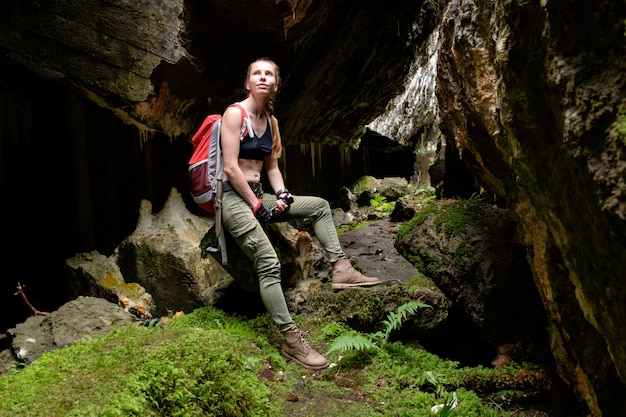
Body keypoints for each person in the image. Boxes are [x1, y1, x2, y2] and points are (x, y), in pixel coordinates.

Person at [219, 58, 381, 370]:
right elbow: (229, 167)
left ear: (275, 84)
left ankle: (341, 269)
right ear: (247, 83)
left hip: (259, 194)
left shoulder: (271, 121)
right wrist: (256, 207)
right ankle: (292, 340)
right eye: (257, 73)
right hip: (232, 199)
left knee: (319, 206)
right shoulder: (233, 114)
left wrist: (281, 195)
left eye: (269, 74)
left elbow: (272, 168)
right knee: (267, 261)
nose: (263, 78)